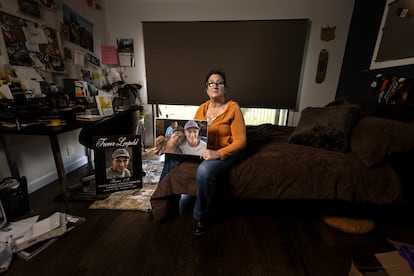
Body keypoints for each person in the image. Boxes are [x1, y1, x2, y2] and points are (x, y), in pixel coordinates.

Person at [159, 69, 247, 236]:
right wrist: (166, 147)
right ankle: (162, 203)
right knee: (170, 157)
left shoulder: (233, 108)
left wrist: (218, 154)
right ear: (206, 89)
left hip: (226, 151)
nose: (215, 85)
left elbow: (241, 142)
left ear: (225, 88)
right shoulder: (202, 108)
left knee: (204, 171)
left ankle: (202, 216)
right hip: (204, 148)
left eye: (219, 82)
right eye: (211, 83)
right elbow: (191, 136)